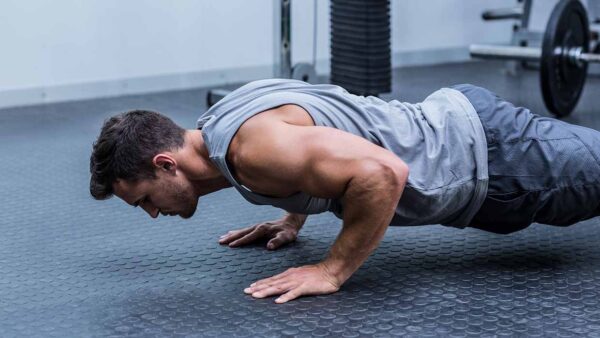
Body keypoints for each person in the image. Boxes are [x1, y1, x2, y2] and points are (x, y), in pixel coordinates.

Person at [89, 79, 600, 304]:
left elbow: (382, 173)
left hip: (492, 160)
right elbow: (322, 123)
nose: (153, 214)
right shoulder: (221, 125)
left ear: (165, 163)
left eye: (146, 200)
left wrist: (331, 271)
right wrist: (292, 213)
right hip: (467, 128)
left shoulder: (253, 151)